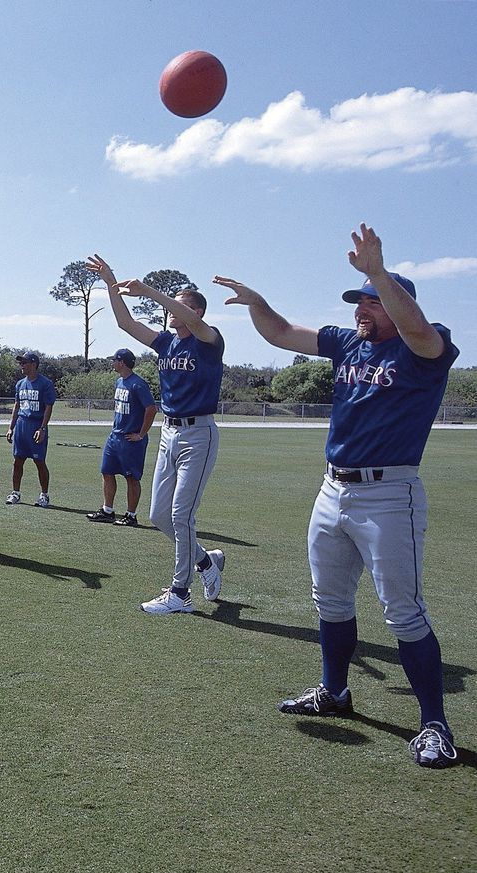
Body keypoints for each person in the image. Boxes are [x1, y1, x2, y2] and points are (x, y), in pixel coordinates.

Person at [216, 223, 460, 769]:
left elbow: (420, 332)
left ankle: (434, 725)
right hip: (333, 489)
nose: (361, 311)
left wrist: (377, 272)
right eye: (359, 304)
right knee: (329, 600)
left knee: (403, 613)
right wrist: (258, 303)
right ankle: (335, 692)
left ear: (395, 307)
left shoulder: (425, 346)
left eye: (371, 304)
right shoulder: (348, 341)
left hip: (389, 495)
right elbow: (281, 333)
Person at [86, 254, 226, 614]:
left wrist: (148, 290)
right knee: (159, 516)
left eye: (180, 306)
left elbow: (193, 321)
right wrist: (110, 281)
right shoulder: (166, 342)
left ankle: (180, 593)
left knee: (181, 515)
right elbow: (124, 322)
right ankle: (206, 562)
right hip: (169, 434)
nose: (172, 312)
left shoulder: (209, 341)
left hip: (199, 435)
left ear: (196, 312)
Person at [86, 349, 158, 526]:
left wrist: (141, 434)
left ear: (122, 362)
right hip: (115, 436)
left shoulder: (138, 384)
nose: (112, 363)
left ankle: (131, 515)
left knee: (131, 477)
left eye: (114, 360)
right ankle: (107, 511)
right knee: (107, 471)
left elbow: (151, 409)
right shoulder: (119, 382)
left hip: (130, 439)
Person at [5, 351, 56, 508]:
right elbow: (17, 405)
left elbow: (48, 407)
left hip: (36, 425)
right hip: (22, 424)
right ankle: (16, 493)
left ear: (34, 364)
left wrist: (42, 428)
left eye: (25, 362)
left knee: (39, 461)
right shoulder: (20, 384)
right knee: (17, 461)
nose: (22, 365)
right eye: (21, 363)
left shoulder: (45, 383)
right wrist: (10, 427)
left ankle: (44, 495)